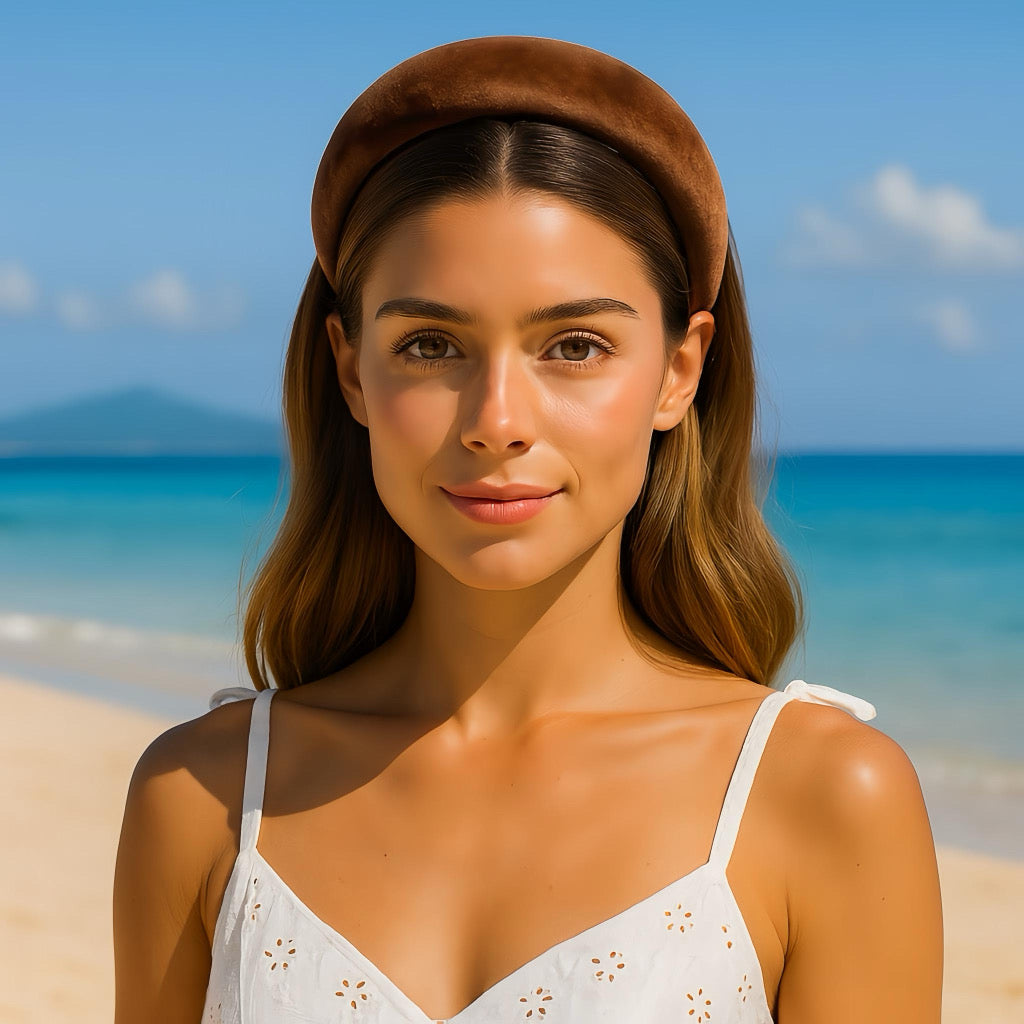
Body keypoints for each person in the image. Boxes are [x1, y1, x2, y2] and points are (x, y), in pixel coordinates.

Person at [113, 35, 943, 1024]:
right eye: (429, 345)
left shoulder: (823, 795)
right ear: (349, 370)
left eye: (574, 345)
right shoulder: (201, 795)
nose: (496, 417)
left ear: (680, 370)